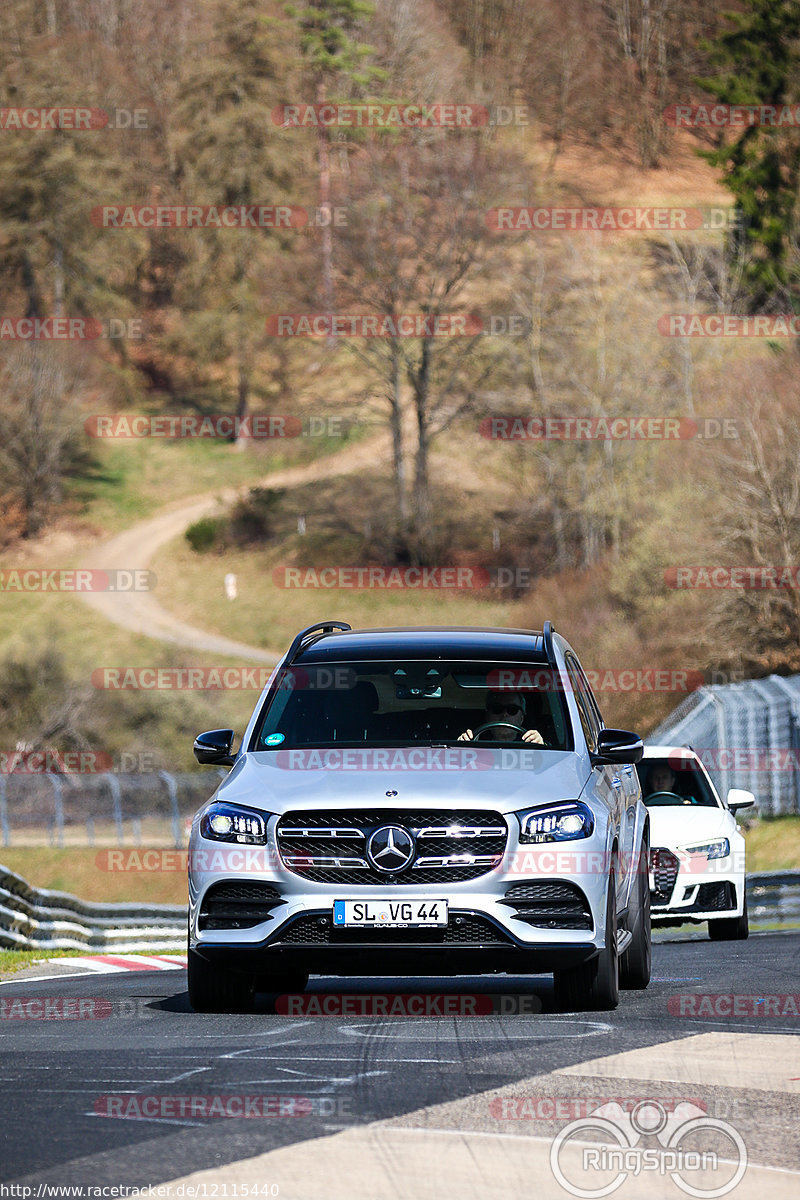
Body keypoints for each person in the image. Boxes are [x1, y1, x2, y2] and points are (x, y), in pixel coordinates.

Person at [457, 690, 544, 744]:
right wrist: (462, 748)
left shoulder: (531, 746)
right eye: (497, 709)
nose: (504, 714)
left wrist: (541, 748)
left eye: (512, 710)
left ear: (521, 718)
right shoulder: (475, 743)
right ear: (487, 715)